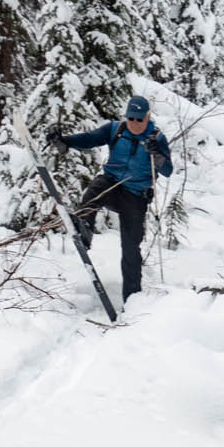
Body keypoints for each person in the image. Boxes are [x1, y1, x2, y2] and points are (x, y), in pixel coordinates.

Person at [47, 95, 173, 303]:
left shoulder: (156, 138)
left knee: (130, 250)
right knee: (95, 188)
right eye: (131, 118)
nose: (134, 123)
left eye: (139, 119)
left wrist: (158, 155)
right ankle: (85, 229)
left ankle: (132, 300)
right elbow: (90, 138)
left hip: (136, 197)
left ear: (148, 117)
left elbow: (168, 170)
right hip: (112, 186)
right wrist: (65, 142)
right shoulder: (116, 129)